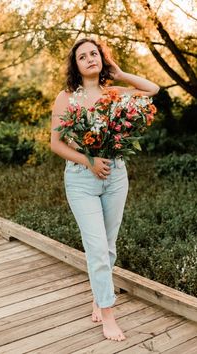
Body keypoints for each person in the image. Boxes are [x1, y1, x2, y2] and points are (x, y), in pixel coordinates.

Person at [51, 37, 159, 342]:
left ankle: (98, 295)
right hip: (82, 180)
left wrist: (121, 74)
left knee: (109, 247)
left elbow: (153, 90)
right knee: (97, 248)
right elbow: (55, 144)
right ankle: (108, 314)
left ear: (103, 59)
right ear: (75, 65)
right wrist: (88, 161)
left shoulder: (114, 94)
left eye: (94, 54)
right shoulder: (67, 98)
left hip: (115, 177)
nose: (89, 59)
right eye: (82, 56)